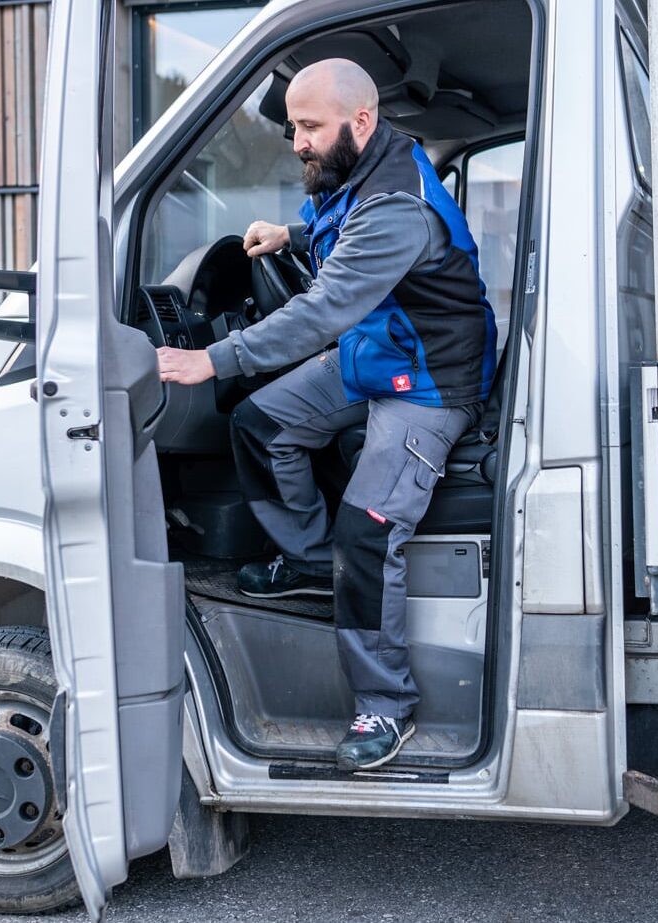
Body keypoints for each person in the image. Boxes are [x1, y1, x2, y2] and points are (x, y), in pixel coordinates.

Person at [155, 58, 495, 771]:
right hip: (377, 353)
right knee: (260, 424)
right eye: (294, 128)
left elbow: (325, 308)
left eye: (311, 127)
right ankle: (311, 563)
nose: (299, 142)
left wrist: (214, 358)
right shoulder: (359, 173)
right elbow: (337, 237)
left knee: (367, 528)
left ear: (360, 121)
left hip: (428, 381)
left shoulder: (399, 205)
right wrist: (291, 236)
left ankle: (387, 705)